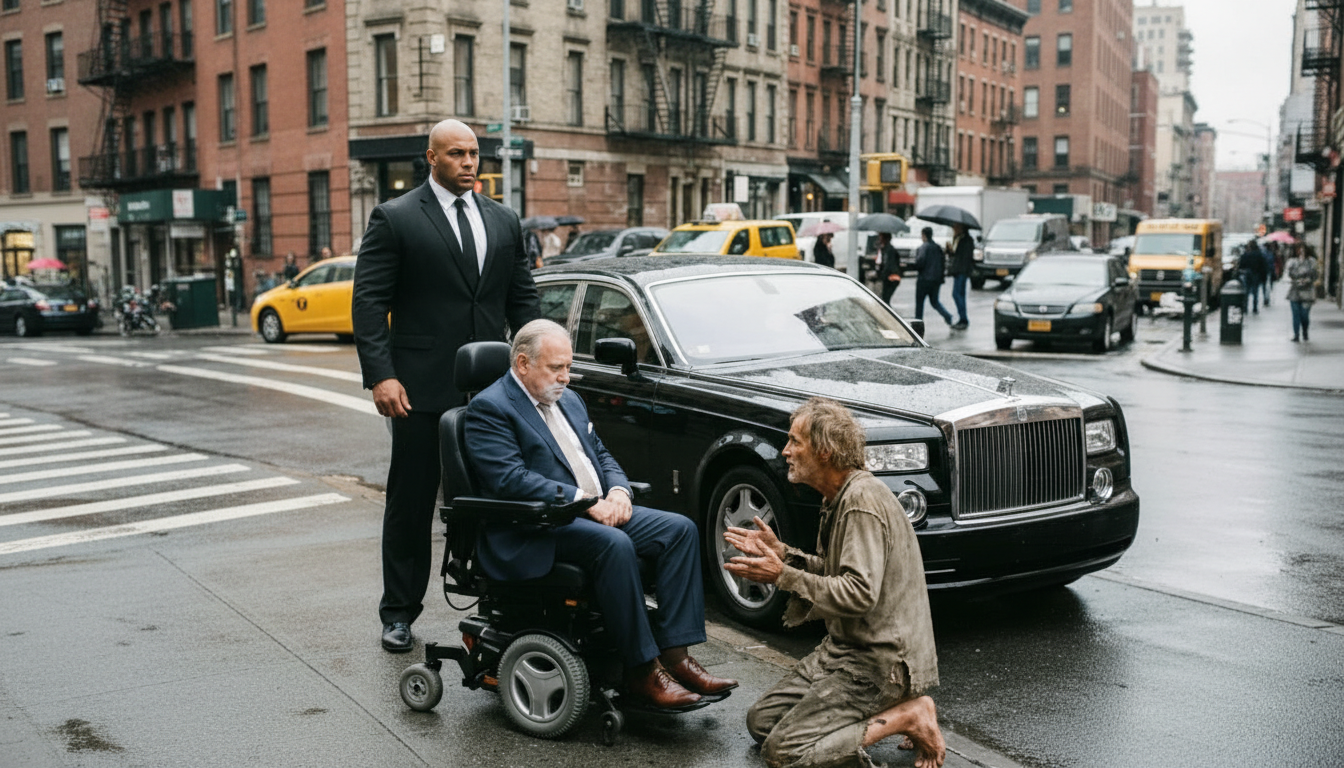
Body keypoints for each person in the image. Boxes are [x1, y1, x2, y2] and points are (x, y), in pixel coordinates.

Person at [465, 319, 738, 708]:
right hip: (534, 525)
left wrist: (618, 491)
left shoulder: (569, 400)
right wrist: (586, 501)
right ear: (523, 364)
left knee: (680, 530)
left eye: (568, 366)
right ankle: (642, 670)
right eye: (555, 368)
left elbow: (601, 455)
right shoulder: (490, 408)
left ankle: (675, 657)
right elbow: (511, 480)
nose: (566, 377)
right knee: (614, 544)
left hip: (592, 509)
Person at [352, 118, 541, 653]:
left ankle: (499, 605)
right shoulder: (396, 216)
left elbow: (522, 302)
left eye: (474, 153)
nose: (469, 162)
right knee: (411, 501)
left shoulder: (503, 220)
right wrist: (382, 375)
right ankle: (398, 612)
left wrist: (542, 365)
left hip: (493, 390)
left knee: (497, 499)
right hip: (419, 389)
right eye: (456, 153)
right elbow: (369, 302)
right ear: (431, 158)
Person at [725, 397, 944, 768]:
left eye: (795, 441)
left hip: (878, 663)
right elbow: (835, 571)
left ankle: (909, 715)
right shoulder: (839, 495)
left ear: (824, 451)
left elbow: (858, 594)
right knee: (761, 722)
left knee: (783, 752)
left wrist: (782, 574)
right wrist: (784, 554)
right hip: (843, 650)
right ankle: (893, 713)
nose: (786, 450)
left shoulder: (860, 502)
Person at [912, 227, 954, 326]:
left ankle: (918, 324)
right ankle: (947, 316)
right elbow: (943, 264)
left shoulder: (923, 248)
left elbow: (920, 263)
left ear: (924, 235)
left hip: (924, 280)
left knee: (919, 304)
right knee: (935, 302)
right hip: (936, 280)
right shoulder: (938, 248)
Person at [1286, 242, 1320, 342]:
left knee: (1304, 315)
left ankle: (1305, 331)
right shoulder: (1293, 262)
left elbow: (1315, 275)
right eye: (1299, 250)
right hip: (1295, 291)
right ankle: (1296, 334)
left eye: (1303, 250)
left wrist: (1307, 280)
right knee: (1295, 314)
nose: (1300, 252)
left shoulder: (1311, 262)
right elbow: (1290, 274)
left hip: (1307, 292)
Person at [946, 223, 974, 329]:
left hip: (962, 271)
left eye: (956, 227)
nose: (954, 229)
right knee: (958, 295)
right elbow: (955, 255)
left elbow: (964, 257)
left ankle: (963, 319)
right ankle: (962, 318)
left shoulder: (966, 240)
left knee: (957, 294)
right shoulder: (959, 239)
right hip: (959, 270)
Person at [1240, 240, 1268, 314]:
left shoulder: (1246, 254)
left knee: (1247, 291)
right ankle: (1254, 307)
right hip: (1256, 274)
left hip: (1248, 273)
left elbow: (1242, 264)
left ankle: (1245, 307)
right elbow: (1263, 266)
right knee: (1255, 291)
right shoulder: (1259, 254)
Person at [876, 232, 902, 305]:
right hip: (891, 277)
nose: (879, 239)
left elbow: (888, 265)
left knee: (885, 300)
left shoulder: (889, 250)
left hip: (891, 277)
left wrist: (881, 275)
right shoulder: (886, 249)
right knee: (885, 300)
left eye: (880, 237)